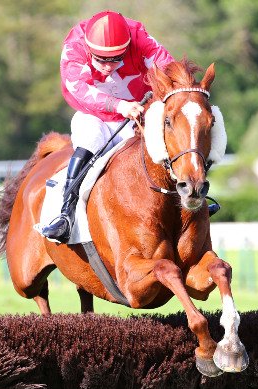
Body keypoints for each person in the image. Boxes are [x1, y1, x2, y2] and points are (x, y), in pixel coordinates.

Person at [41, 10, 175, 243]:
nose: (108, 67)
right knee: (91, 138)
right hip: (93, 115)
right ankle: (66, 214)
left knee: (167, 143)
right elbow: (78, 87)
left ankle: (186, 200)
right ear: (89, 49)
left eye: (115, 59)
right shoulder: (75, 45)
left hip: (136, 115)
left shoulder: (139, 37)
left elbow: (169, 67)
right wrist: (119, 105)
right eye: (101, 60)